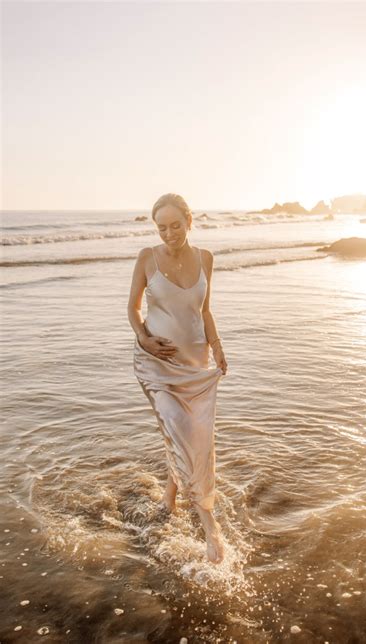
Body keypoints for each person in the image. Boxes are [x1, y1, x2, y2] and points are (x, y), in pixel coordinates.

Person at [127, 193, 228, 563]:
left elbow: (205, 310)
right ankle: (210, 527)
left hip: (195, 364)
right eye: (161, 227)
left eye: (175, 225)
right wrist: (145, 339)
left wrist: (217, 346)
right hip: (156, 366)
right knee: (182, 430)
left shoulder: (206, 259)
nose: (169, 233)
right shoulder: (146, 258)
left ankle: (169, 500)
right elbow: (132, 308)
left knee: (190, 433)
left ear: (189, 220)